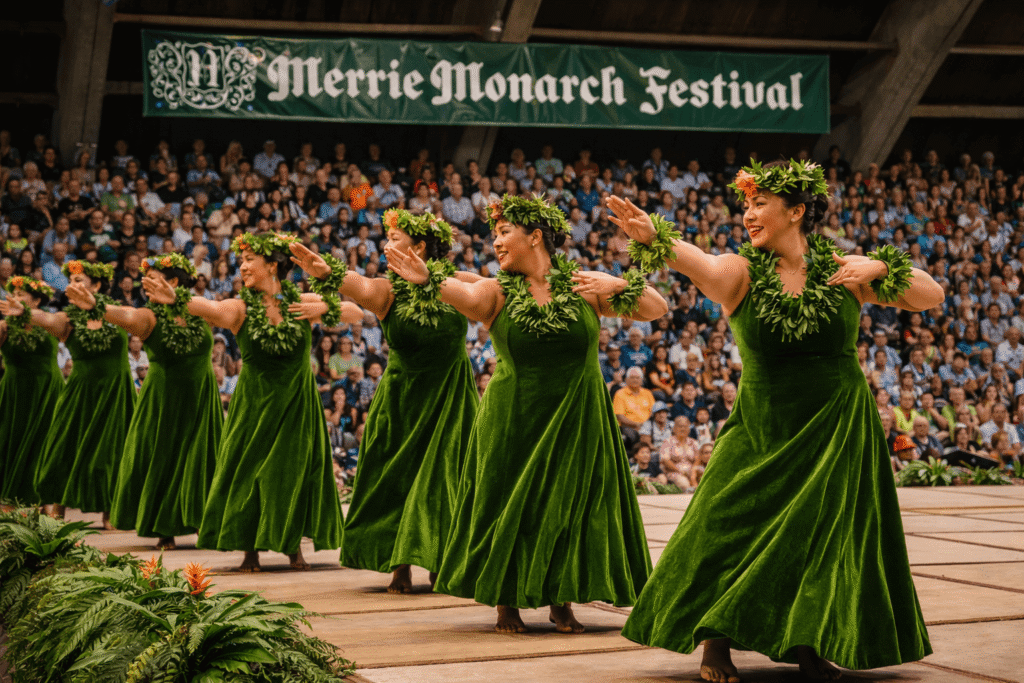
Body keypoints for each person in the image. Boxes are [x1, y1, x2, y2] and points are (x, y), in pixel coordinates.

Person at [615, 159, 940, 680]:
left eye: (759, 203)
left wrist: (879, 267)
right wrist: (657, 238)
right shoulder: (740, 272)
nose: (748, 214)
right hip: (762, 421)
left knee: (822, 533)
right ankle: (715, 640)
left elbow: (930, 295)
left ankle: (808, 641)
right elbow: (699, 263)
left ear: (796, 211)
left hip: (836, 423)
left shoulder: (844, 269)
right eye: (746, 203)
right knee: (722, 525)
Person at [386, 193, 667, 634]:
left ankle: (561, 596)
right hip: (512, 417)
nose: (494, 242)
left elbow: (655, 308)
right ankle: (506, 602)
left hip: (579, 417)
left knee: (573, 506)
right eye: (493, 234)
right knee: (509, 504)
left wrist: (610, 283)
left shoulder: (583, 287)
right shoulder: (494, 290)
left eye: (503, 232)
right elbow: (464, 294)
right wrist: (428, 280)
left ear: (535, 237)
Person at [144, 232, 363, 571]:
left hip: (297, 403)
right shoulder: (240, 307)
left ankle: (292, 545)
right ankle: (249, 547)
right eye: (241, 261)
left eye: (249, 260)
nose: (242, 267)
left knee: (293, 471)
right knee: (249, 470)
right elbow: (214, 309)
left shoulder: (299, 302)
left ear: (272, 266)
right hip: (255, 402)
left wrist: (324, 305)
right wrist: (176, 298)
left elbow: (356, 314)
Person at [289, 209, 480, 594]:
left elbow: (501, 293)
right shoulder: (387, 290)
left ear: (421, 247)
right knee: (397, 480)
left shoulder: (461, 283)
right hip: (401, 399)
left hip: (451, 396)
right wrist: (329, 274)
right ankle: (400, 563)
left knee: (447, 477)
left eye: (394, 239)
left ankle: (443, 558)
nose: (385, 245)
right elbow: (357, 287)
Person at [65, 253, 222, 550]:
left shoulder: (199, 310)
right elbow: (126, 316)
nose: (144, 285)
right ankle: (164, 527)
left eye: (152, 279)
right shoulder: (149, 316)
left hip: (201, 396)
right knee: (162, 455)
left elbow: (224, 311)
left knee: (202, 457)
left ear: (174, 281)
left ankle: (204, 520)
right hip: (163, 398)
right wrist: (97, 305)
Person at [1, 261, 136, 525]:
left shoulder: (118, 312)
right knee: (64, 449)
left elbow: (135, 319)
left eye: (79, 281)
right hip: (80, 391)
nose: (72, 286)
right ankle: (56, 512)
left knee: (112, 452)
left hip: (115, 392)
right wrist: (27, 312)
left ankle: (110, 511)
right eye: (70, 282)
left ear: (96, 285)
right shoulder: (67, 318)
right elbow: (48, 319)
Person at [0, 277, 64, 502]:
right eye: (13, 295)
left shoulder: (51, 321)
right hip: (16, 391)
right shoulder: (4, 326)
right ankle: (9, 498)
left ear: (36, 301)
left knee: (47, 443)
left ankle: (46, 498)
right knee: (10, 439)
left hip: (48, 390)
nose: (14, 299)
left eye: (20, 295)